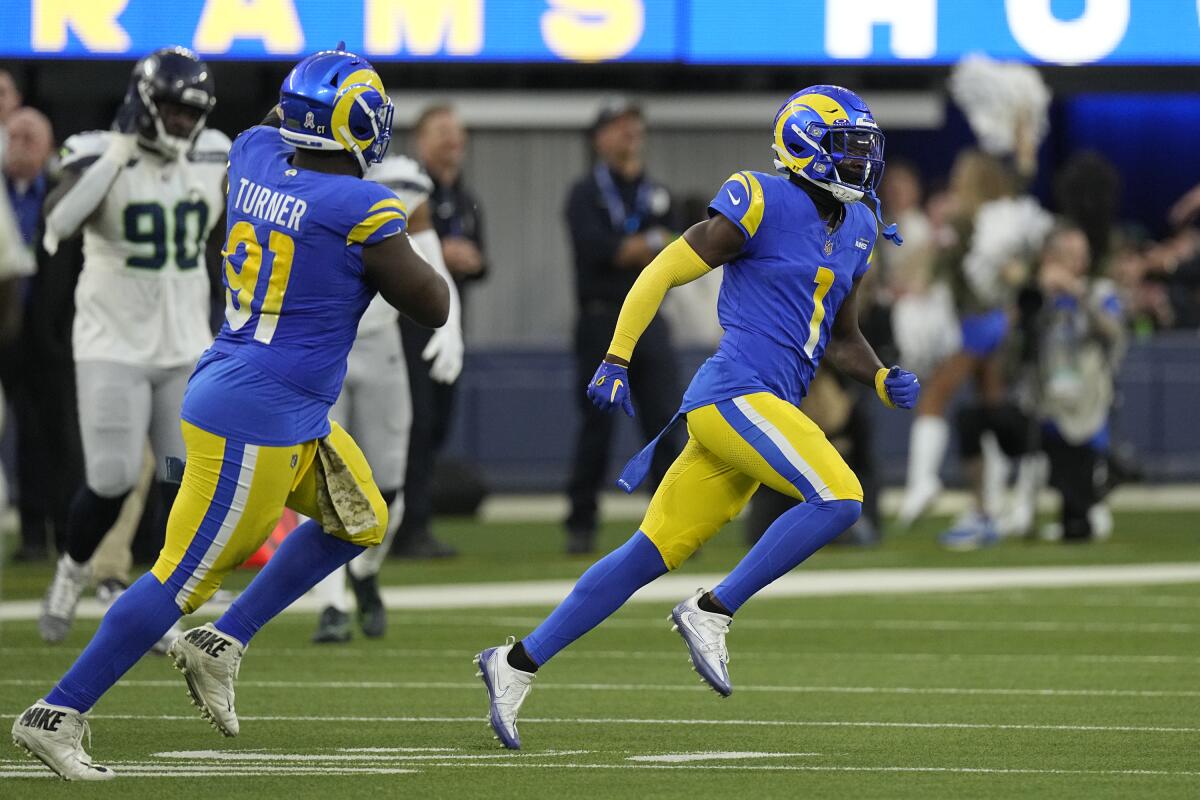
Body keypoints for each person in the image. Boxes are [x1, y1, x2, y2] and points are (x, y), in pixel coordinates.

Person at [12, 46, 449, 780]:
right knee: (177, 582)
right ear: (352, 122)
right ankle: (56, 713)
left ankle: (222, 642)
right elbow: (432, 303)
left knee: (361, 518)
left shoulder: (250, 154)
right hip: (257, 414)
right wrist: (393, 236)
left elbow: (277, 126)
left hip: (269, 394)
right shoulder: (361, 207)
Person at [475, 86, 919, 749]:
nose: (859, 165)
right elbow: (660, 271)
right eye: (845, 150)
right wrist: (616, 357)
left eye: (863, 152)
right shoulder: (759, 197)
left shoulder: (857, 228)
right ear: (803, 147)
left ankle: (515, 663)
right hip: (733, 395)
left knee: (645, 555)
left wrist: (880, 375)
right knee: (840, 495)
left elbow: (841, 335)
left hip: (761, 408)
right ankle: (713, 609)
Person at [34, 48, 229, 645]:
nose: (179, 122)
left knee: (181, 477)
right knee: (114, 477)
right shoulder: (97, 151)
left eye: (188, 111)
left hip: (182, 348)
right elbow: (58, 223)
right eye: (169, 109)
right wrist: (119, 154)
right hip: (111, 345)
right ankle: (71, 569)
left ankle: (154, 601)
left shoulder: (215, 152)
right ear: (143, 104)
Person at [309, 153, 462, 642]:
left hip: (382, 351)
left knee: (389, 487)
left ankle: (366, 570)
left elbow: (428, 251)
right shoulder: (320, 194)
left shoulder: (399, 182)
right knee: (324, 483)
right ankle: (331, 602)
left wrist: (452, 326)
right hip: (329, 349)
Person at [563, 97, 683, 555]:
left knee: (664, 424)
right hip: (602, 318)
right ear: (600, 138)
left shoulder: (658, 192)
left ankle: (671, 521)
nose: (629, 133)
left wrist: (641, 245)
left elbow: (675, 251)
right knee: (596, 425)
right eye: (618, 126)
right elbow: (605, 252)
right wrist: (644, 244)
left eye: (634, 125)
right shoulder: (585, 193)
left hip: (650, 319)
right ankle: (581, 521)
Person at [389, 104, 472, 559]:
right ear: (420, 139)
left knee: (436, 424)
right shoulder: (403, 184)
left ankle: (412, 520)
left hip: (451, 323)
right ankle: (407, 525)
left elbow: (483, 261)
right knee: (413, 426)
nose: (452, 141)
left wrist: (470, 260)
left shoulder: (463, 195)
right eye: (442, 132)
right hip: (407, 324)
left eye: (457, 133)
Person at [0, 106, 55, 560]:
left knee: (43, 433)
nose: (19, 145)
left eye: (29, 139)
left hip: (43, 331)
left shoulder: (56, 192)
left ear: (48, 149)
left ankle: (42, 532)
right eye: (13, 137)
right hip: (3, 326)